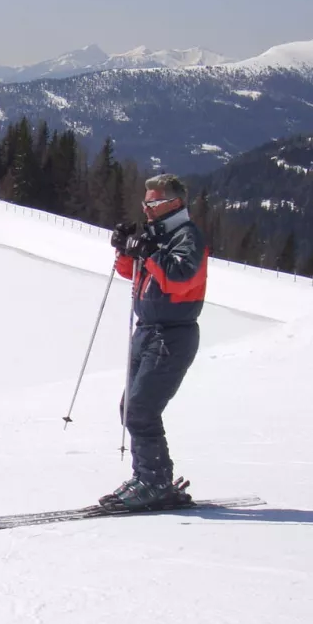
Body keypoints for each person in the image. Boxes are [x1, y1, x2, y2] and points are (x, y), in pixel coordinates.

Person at [103, 174, 209, 509]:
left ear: (174, 203)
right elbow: (133, 273)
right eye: (145, 202)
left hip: (172, 333)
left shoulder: (187, 236)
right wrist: (126, 250)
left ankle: (153, 481)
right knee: (131, 408)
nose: (146, 208)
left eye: (153, 203)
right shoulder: (159, 233)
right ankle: (149, 477)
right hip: (148, 329)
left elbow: (181, 278)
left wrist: (149, 252)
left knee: (143, 409)